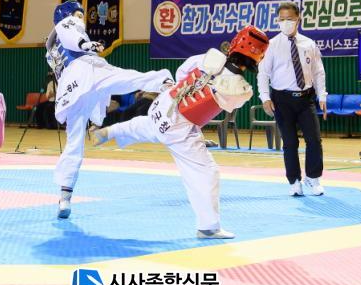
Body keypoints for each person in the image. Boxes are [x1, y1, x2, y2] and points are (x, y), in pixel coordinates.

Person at [93, 27, 270, 239]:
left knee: (148, 126)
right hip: (179, 128)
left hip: (163, 104)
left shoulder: (207, 58)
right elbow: (227, 105)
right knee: (205, 172)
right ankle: (209, 227)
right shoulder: (241, 89)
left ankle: (112, 130)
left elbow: (181, 72)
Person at [46, 0, 173, 219]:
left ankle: (65, 196)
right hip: (87, 70)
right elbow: (72, 36)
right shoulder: (66, 25)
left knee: (74, 142)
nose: (80, 19)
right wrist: (86, 45)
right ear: (66, 16)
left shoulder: (50, 47)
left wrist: (85, 46)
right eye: (77, 15)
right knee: (128, 78)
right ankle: (166, 83)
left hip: (72, 88)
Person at [257, 2, 328, 197]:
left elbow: (318, 71)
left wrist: (322, 95)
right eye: (281, 19)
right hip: (282, 100)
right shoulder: (271, 45)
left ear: (298, 20)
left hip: (306, 99)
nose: (285, 23)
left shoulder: (309, 44)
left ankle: (313, 178)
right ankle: (294, 181)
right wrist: (265, 98)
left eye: (289, 19)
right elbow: (263, 73)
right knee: (289, 143)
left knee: (314, 140)